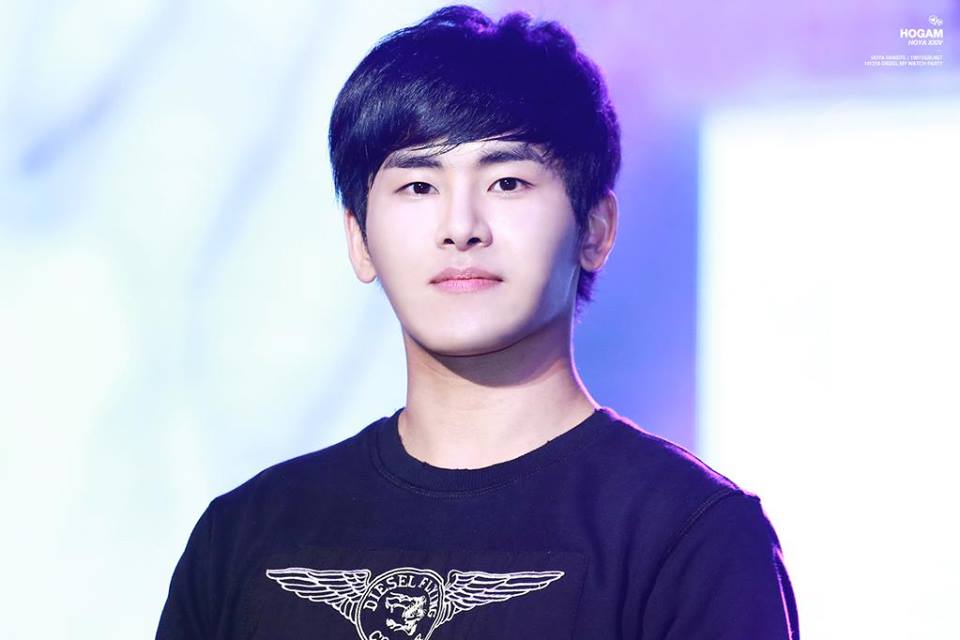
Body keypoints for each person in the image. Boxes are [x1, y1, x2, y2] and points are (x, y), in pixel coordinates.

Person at [156, 4, 799, 639]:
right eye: (418, 187)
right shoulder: (247, 537)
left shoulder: (691, 534)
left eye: (507, 183)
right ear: (359, 239)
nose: (461, 228)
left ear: (595, 229)